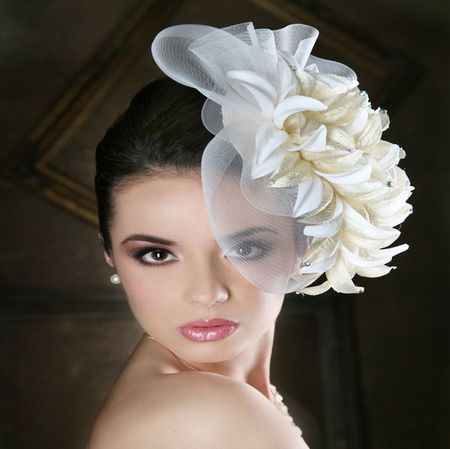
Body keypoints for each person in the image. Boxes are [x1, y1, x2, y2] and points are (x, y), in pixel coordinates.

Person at [86, 22, 412, 448]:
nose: (207, 293)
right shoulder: (204, 412)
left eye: (244, 247)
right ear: (110, 253)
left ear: (306, 240)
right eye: (156, 255)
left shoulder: (205, 396)